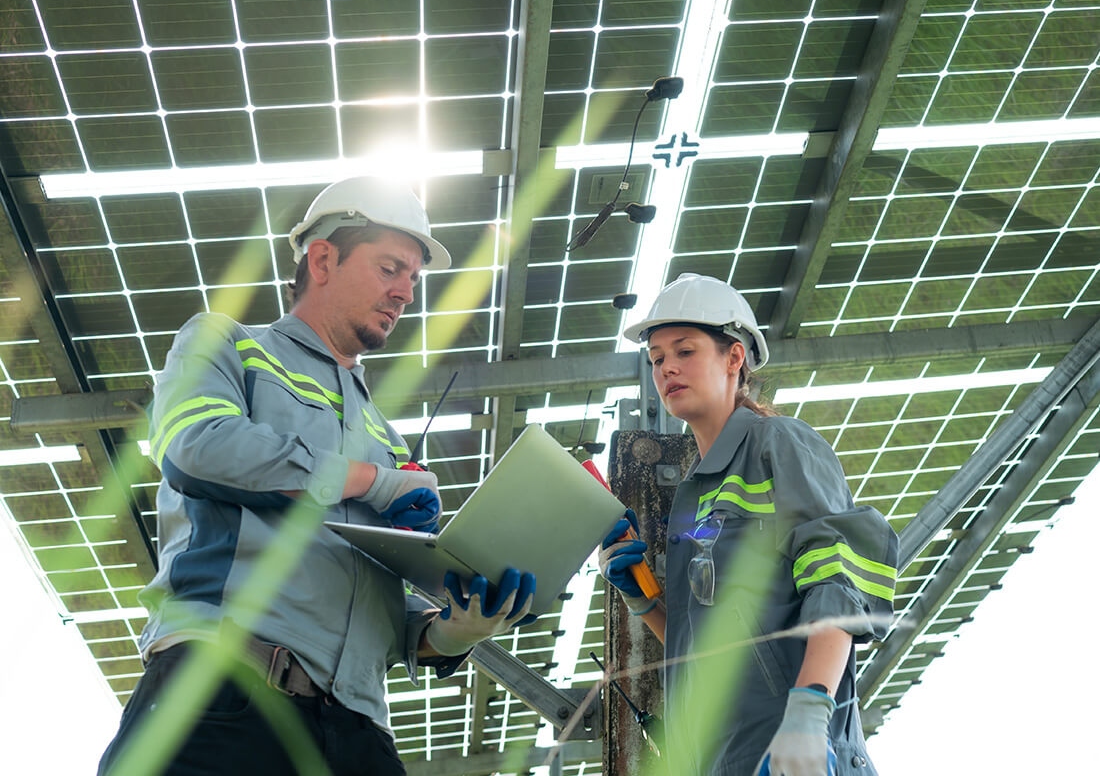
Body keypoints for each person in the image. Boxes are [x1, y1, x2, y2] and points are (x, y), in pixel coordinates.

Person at [99, 176, 536, 776]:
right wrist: (372, 482)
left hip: (358, 735)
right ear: (323, 258)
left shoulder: (388, 440)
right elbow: (196, 447)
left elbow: (370, 595)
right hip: (223, 692)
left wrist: (454, 631)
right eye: (390, 268)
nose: (405, 292)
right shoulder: (226, 344)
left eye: (413, 277)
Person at [598, 273, 897, 776]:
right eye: (656, 359)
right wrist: (644, 601)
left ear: (734, 357)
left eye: (685, 351)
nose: (667, 366)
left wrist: (809, 709)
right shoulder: (695, 494)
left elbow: (838, 581)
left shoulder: (778, 444)